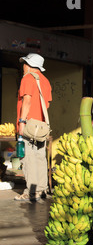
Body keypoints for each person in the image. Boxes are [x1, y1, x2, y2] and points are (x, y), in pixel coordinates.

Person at [15, 53, 52, 201]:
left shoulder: (27, 78)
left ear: (29, 65)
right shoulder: (46, 81)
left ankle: (31, 192)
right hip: (41, 126)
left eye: (24, 63)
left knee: (28, 158)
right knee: (40, 158)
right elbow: (47, 104)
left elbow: (27, 101)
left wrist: (22, 121)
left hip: (29, 125)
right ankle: (42, 190)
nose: (23, 67)